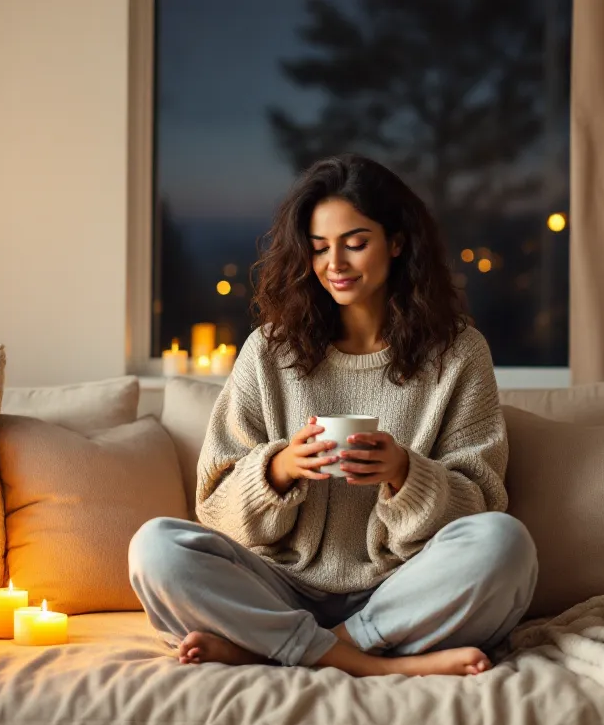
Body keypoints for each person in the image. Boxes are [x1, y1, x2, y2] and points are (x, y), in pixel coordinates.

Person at [129, 154, 537, 677]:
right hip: (279, 586)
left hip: (401, 589)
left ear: (397, 242)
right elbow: (212, 506)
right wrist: (278, 471)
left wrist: (404, 474)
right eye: (319, 248)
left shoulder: (458, 354)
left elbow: (482, 502)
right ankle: (374, 664)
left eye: (355, 242)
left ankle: (290, 648)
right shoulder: (268, 352)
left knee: (506, 545)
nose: (334, 264)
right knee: (157, 548)